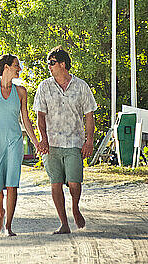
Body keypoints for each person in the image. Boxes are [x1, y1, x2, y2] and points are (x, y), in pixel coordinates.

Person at [33, 46, 97, 234]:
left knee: (75, 183)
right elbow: (40, 117)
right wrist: (42, 139)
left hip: (74, 143)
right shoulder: (44, 86)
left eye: (52, 63)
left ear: (63, 64)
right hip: (52, 144)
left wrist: (89, 141)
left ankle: (75, 208)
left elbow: (89, 116)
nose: (49, 67)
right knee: (56, 183)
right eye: (48, 63)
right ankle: (64, 223)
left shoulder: (81, 86)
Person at [0, 54, 44, 236]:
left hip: (14, 141)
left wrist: (36, 142)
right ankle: (0, 212)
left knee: (12, 185)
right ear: (6, 67)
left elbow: (25, 120)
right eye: (17, 65)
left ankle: (9, 225)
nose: (19, 69)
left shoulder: (21, 92)